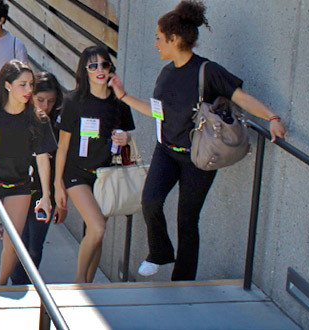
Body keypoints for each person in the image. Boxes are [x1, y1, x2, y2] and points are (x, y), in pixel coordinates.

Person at [109, 0, 287, 281]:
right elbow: (158, 112)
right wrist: (124, 96)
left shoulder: (208, 71)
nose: (156, 44)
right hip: (166, 151)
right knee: (151, 201)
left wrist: (272, 117)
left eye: (159, 38)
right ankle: (159, 252)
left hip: (199, 158)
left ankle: (183, 280)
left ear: (174, 39)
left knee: (187, 221)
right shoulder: (165, 73)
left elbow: (241, 98)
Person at [0, 60, 56, 286]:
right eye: (22, 85)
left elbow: (43, 158)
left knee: (13, 244)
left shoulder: (37, 119)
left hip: (19, 184)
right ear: (7, 85)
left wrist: (46, 196)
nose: (28, 90)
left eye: (30, 85)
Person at [53, 46, 135, 283]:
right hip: (76, 174)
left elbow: (128, 135)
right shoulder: (73, 101)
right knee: (98, 228)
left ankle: (88, 285)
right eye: (93, 65)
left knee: (96, 234)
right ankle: (79, 283)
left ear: (110, 69)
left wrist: (125, 138)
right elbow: (63, 146)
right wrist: (58, 184)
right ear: (85, 71)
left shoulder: (120, 102)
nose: (100, 70)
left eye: (104, 64)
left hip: (105, 175)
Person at [9, 71, 68, 285]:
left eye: (51, 102)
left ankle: (28, 280)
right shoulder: (18, 117)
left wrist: (60, 201)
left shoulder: (59, 124)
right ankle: (18, 283)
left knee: (36, 245)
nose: (45, 106)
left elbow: (62, 164)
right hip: (19, 190)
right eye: (40, 100)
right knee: (21, 242)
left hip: (45, 194)